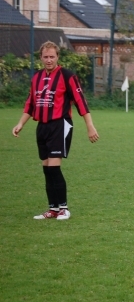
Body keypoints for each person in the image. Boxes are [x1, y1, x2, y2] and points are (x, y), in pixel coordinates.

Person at [12, 41, 99, 220]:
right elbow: (30, 103)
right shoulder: (36, 78)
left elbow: (81, 101)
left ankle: (64, 208)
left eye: (52, 56)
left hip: (60, 125)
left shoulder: (67, 76)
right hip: (42, 127)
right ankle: (52, 209)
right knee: (46, 169)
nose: (49, 60)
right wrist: (20, 123)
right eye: (46, 57)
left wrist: (90, 126)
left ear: (58, 57)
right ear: (41, 58)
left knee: (53, 168)